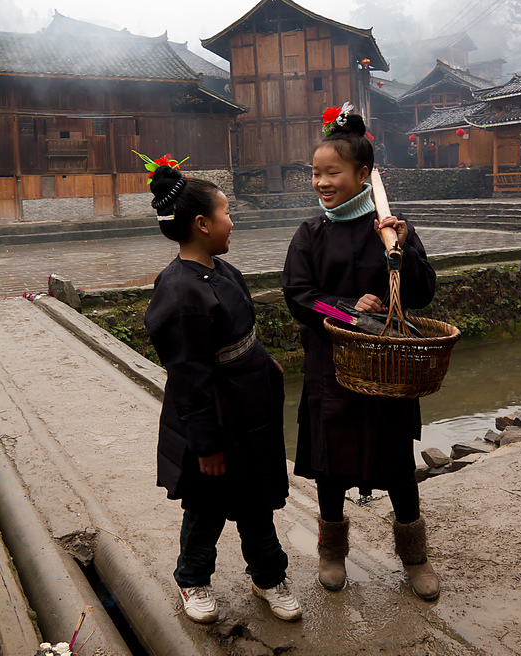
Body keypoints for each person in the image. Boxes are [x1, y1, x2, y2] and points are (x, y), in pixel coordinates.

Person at [282, 106, 439, 602]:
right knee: (331, 467)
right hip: (330, 371)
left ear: (364, 175)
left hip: (388, 372)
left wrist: (405, 247)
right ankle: (333, 553)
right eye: (316, 173)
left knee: (397, 465)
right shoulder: (310, 234)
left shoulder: (389, 230)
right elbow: (300, 296)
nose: (321, 183)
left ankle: (415, 557)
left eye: (332, 173)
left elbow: (421, 293)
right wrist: (351, 311)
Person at [144, 158, 302, 624]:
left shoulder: (222, 270)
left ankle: (268, 576)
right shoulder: (179, 293)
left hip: (248, 406)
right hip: (211, 416)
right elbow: (189, 377)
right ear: (201, 223)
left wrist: (262, 360)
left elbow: (242, 330)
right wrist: (206, 445)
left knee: (256, 499)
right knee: (207, 505)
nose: (232, 220)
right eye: (226, 212)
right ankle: (193, 580)